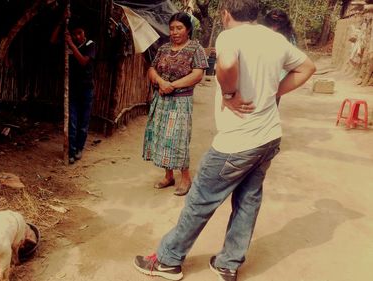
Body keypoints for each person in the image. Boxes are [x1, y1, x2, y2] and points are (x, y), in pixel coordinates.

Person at [133, 0, 315, 280]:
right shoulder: (275, 39)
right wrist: (271, 93)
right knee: (248, 200)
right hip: (268, 138)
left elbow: (227, 63)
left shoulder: (230, 35)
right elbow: (307, 68)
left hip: (237, 142)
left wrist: (229, 94)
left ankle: (168, 260)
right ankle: (228, 263)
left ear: (226, 13)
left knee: (200, 200)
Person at [142, 12, 208, 196]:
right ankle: (168, 176)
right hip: (161, 99)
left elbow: (197, 74)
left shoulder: (195, 48)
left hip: (180, 101)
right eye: (172, 28)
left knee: (178, 138)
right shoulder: (163, 49)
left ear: (188, 29)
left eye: (179, 28)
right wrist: (161, 82)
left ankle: (185, 178)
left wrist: (171, 85)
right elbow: (151, 69)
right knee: (162, 136)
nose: (175, 32)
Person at [52, 16, 97, 164]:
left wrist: (71, 44)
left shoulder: (90, 45)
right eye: (74, 34)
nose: (77, 36)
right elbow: (52, 41)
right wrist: (60, 24)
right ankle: (70, 151)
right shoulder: (68, 45)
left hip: (86, 90)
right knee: (72, 122)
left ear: (84, 33)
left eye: (80, 33)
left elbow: (84, 62)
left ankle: (79, 149)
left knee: (83, 123)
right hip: (72, 89)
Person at [263, 9, 297, 106]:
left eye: (278, 24)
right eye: (272, 23)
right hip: (260, 73)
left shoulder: (289, 37)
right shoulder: (261, 32)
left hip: (278, 77)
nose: (274, 27)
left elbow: (291, 58)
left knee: (271, 106)